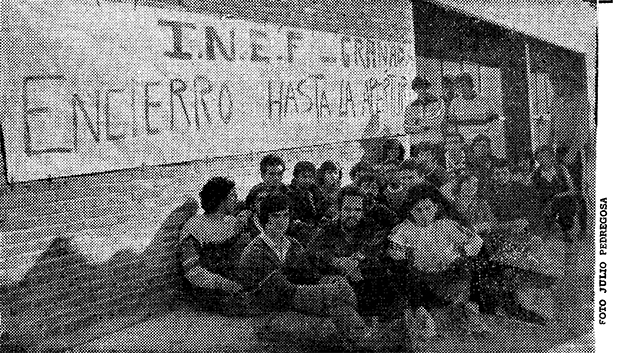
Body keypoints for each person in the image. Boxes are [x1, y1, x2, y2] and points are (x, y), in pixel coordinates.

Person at [239, 193, 392, 350]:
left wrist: (329, 281)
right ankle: (367, 341)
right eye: (276, 216)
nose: (282, 221)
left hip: (296, 308)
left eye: (285, 215)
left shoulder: (293, 245)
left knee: (340, 312)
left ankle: (367, 341)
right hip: (267, 314)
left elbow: (309, 275)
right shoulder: (256, 253)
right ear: (265, 218)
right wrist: (331, 291)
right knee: (330, 329)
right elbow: (285, 293)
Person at [387, 183, 491, 337]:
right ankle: (422, 315)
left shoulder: (447, 225)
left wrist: (463, 251)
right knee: (406, 274)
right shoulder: (404, 229)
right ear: (411, 211)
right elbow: (394, 256)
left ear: (436, 208)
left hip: (450, 277)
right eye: (418, 210)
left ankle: (471, 311)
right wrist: (403, 254)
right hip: (423, 282)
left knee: (468, 266)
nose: (424, 215)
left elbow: (476, 243)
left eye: (428, 209)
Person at [179, 177, 252, 313]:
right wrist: (225, 284)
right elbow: (192, 271)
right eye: (232, 196)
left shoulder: (231, 222)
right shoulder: (194, 226)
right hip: (209, 290)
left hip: (232, 282)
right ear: (221, 199)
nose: (236, 199)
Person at [532, 145, 578, 239]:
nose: (543, 160)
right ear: (537, 160)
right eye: (540, 158)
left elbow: (572, 190)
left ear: (552, 157)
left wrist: (558, 196)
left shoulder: (561, 169)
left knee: (565, 202)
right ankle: (548, 224)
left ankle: (566, 231)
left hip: (563, 200)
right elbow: (534, 194)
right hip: (545, 203)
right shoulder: (536, 175)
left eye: (546, 156)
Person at [448, 73, 498, 143]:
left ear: (471, 85)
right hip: (463, 144)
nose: (461, 89)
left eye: (463, 85)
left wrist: (488, 137)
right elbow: (451, 125)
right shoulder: (455, 102)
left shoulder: (485, 101)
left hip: (481, 143)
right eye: (458, 87)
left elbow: (495, 122)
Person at [404, 76, 446, 146]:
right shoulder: (410, 106)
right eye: (417, 87)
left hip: (434, 141)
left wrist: (417, 121)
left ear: (427, 87)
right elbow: (406, 128)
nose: (421, 89)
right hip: (417, 143)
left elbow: (437, 121)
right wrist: (422, 128)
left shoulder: (438, 102)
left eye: (423, 87)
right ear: (414, 89)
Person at [286, 161, 329, 226]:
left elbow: (324, 206)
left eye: (310, 177)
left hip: (315, 225)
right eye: (304, 176)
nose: (307, 180)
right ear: (296, 177)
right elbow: (290, 215)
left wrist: (324, 216)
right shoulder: (289, 192)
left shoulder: (315, 190)